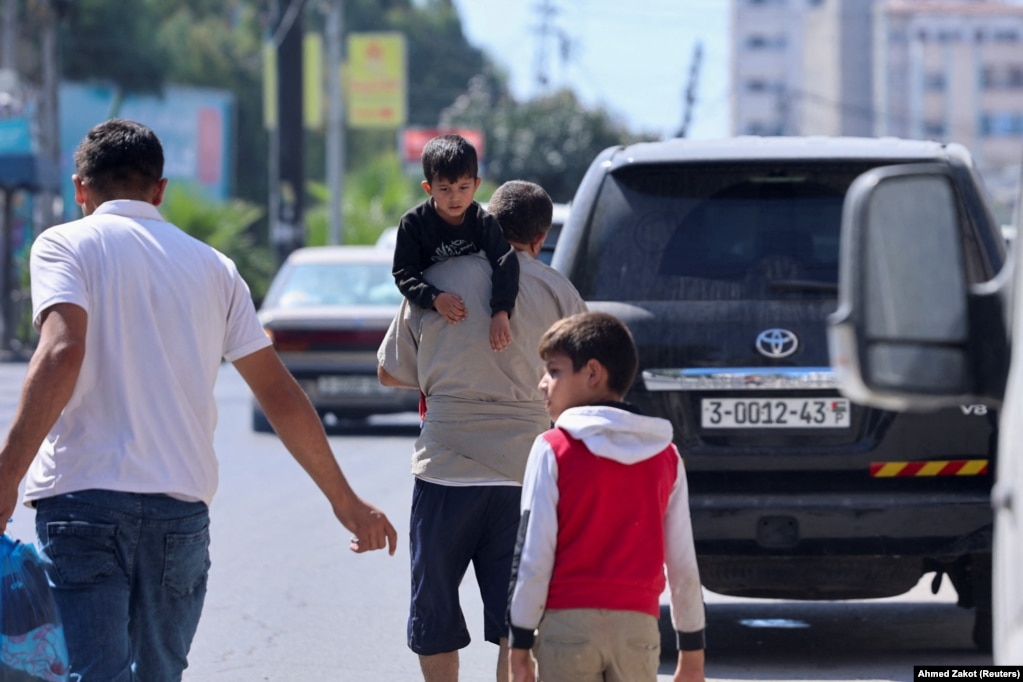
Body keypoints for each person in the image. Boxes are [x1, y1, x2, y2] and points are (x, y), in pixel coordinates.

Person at [0, 119, 397, 681]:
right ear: (159, 190)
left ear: (79, 188)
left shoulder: (64, 244)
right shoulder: (214, 267)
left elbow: (63, 351)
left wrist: (6, 475)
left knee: (95, 674)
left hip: (82, 504)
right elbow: (280, 394)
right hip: (178, 513)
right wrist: (345, 500)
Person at [377, 179, 587, 682]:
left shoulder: (437, 278)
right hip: (525, 474)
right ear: (541, 237)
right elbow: (583, 381)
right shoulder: (559, 290)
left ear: (488, 222)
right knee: (516, 621)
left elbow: (389, 371)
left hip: (444, 471)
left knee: (435, 616)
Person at [507, 311, 706, 682]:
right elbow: (682, 564)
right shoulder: (666, 455)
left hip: (568, 627)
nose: (542, 384)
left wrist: (519, 645)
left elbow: (533, 553)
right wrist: (692, 654)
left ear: (593, 373)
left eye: (554, 370)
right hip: (639, 631)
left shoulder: (553, 447)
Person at [392, 133, 519, 353]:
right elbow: (404, 273)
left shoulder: (484, 222)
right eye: (444, 189)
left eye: (463, 187)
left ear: (476, 185)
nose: (455, 197)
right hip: (430, 320)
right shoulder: (413, 223)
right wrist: (435, 298)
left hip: (476, 321)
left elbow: (505, 262)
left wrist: (501, 312)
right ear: (428, 188)